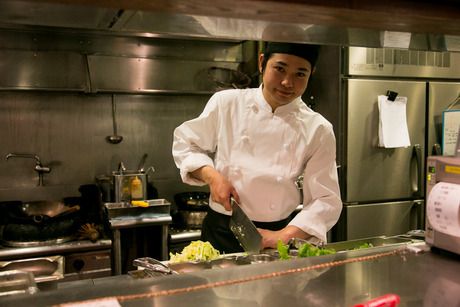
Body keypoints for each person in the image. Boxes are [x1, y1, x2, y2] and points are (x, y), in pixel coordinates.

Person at [172, 41, 342, 253]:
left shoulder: (318, 128)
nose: (287, 82)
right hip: (222, 231)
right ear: (262, 63)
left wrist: (283, 235)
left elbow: (325, 199)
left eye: (300, 74)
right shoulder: (226, 103)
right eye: (279, 69)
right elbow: (187, 144)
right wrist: (212, 177)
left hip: (278, 236)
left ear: (311, 73)